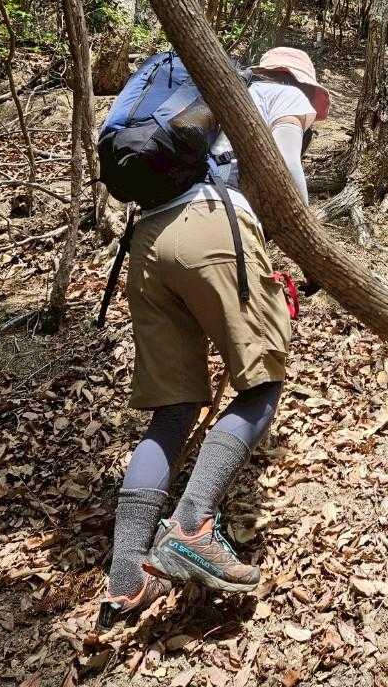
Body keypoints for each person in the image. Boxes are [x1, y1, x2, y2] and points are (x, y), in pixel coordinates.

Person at [99, 47, 329, 624]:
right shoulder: (282, 94)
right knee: (261, 386)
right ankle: (191, 525)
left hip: (148, 242)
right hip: (210, 226)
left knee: (173, 411)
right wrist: (310, 249)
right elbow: (285, 169)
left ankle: (125, 580)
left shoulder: (208, 99)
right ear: (299, 81)